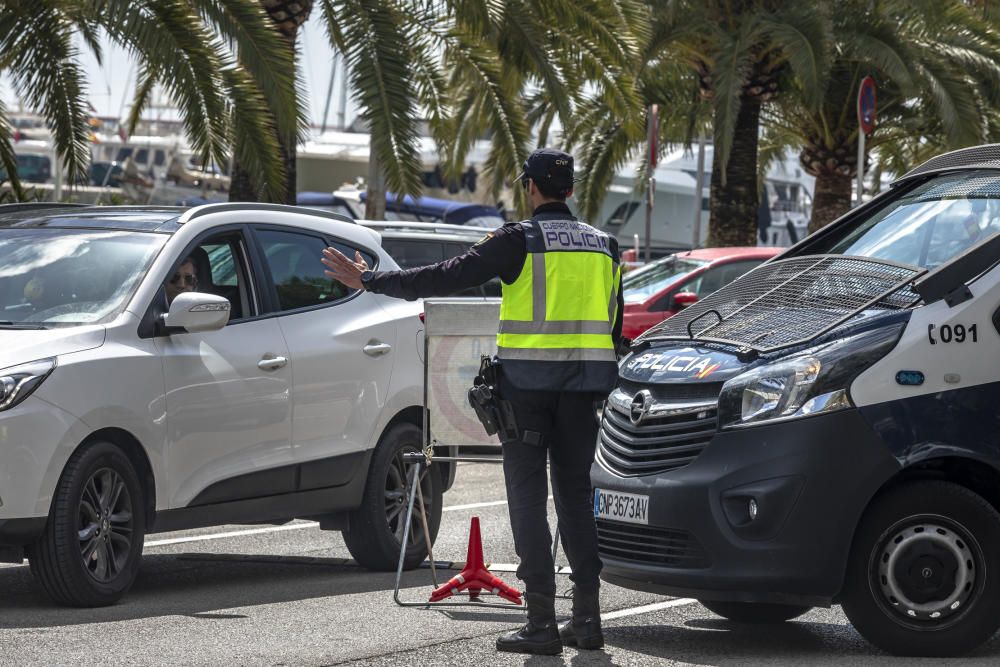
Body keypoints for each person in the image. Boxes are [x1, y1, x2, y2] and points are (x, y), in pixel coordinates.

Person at [321, 148, 623, 656]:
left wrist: (369, 279)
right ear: (570, 190)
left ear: (530, 187)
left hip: (526, 393)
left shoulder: (518, 240)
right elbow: (613, 324)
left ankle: (541, 624)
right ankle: (587, 621)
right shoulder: (605, 247)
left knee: (528, 503)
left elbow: (444, 275)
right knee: (576, 503)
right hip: (584, 394)